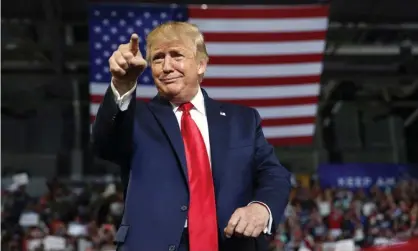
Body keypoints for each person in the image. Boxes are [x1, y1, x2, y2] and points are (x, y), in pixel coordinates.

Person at [92, 21, 291, 251]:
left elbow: (274, 174)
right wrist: (122, 83)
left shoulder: (243, 120)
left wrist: (261, 208)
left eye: (176, 55)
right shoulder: (134, 117)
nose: (166, 66)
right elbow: (104, 145)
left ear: (201, 64)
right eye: (158, 58)